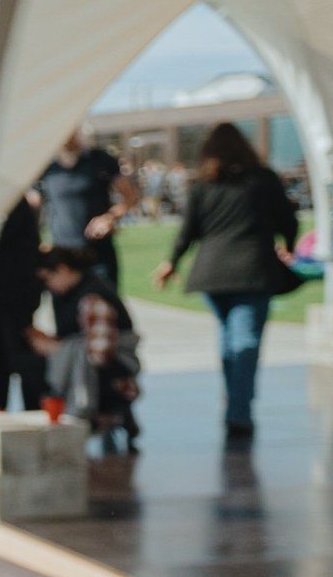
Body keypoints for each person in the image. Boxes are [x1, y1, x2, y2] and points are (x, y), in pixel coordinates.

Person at [150, 123, 296, 442]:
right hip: (253, 271)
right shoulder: (263, 179)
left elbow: (187, 231)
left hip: (212, 274)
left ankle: (235, 399)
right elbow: (288, 219)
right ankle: (239, 411)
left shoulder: (203, 185)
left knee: (232, 338)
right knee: (244, 342)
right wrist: (290, 245)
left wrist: (170, 263)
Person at [31, 246, 139, 452]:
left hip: (111, 374)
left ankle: (91, 415)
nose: (48, 287)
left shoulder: (92, 298)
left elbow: (99, 354)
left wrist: (57, 348)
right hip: (103, 368)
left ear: (63, 270)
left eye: (48, 279)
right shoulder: (76, 293)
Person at [36, 129, 138, 285]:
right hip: (63, 257)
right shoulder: (46, 167)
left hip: (97, 253)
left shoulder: (100, 159)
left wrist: (109, 218)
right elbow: (34, 205)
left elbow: (130, 197)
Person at [0, 191, 47, 411]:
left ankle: (31, 406)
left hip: (14, 293)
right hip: (4, 294)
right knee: (0, 355)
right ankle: (0, 404)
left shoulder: (12, 204)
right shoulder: (9, 203)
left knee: (17, 354)